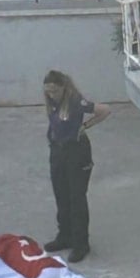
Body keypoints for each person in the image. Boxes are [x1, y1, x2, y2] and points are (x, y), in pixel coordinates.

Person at [42, 70, 111, 263]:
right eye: (48, 91)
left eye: (55, 91)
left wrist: (85, 126)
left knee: (76, 198)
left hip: (76, 152)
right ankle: (65, 235)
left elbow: (105, 110)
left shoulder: (75, 102)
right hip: (58, 151)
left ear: (63, 88)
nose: (51, 95)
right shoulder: (52, 103)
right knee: (61, 194)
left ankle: (81, 243)